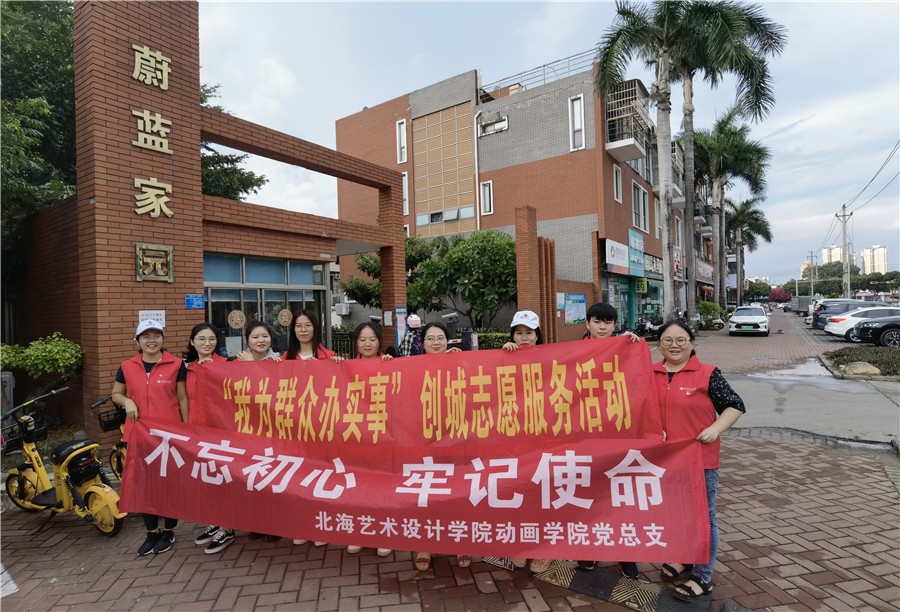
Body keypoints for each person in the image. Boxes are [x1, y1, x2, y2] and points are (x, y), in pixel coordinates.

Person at [653, 321, 745, 602]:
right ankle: (684, 559)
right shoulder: (649, 373)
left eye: (681, 340)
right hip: (663, 461)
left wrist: (715, 429)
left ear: (691, 342)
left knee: (704, 517)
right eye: (667, 340)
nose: (674, 346)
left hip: (699, 460)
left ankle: (703, 576)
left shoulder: (707, 374)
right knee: (676, 514)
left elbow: (734, 406)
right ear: (659, 344)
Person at [111, 320, 189, 556]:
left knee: (169, 484)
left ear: (163, 339)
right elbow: (116, 394)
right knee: (144, 485)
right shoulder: (127, 366)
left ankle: (169, 530)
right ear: (137, 341)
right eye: (145, 336)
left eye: (156, 335)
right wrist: (127, 401)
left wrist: (186, 431)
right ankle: (152, 532)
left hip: (169, 435)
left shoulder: (176, 364)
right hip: (139, 434)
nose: (151, 340)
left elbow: (182, 398)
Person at [578, 302, 642, 578]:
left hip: (619, 435)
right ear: (587, 324)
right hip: (586, 436)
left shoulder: (627, 348)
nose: (602, 327)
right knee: (589, 496)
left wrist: (632, 345)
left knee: (621, 496)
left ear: (615, 325)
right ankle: (590, 550)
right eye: (597, 321)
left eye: (608, 322)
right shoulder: (572, 352)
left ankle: (626, 554)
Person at [412, 322, 469, 572]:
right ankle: (425, 545)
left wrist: (461, 363)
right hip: (424, 440)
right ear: (422, 343)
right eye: (430, 339)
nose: (436, 343)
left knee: (457, 491)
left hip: (455, 439)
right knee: (427, 492)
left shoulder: (459, 363)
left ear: (448, 341)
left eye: (440, 338)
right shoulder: (411, 367)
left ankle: (460, 542)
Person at [283, 309, 342, 548]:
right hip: (294, 429)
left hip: (321, 428)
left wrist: (333, 367)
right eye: (298, 326)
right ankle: (302, 525)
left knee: (321, 477)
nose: (303, 330)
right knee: (298, 477)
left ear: (315, 328)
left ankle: (322, 526)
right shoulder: (284, 359)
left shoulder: (330, 357)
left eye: (308, 325)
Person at [501, 310, 551, 573]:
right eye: (518, 333)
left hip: (543, 436)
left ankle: (545, 548)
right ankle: (521, 543)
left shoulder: (552, 358)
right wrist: (503, 355)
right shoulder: (504, 357)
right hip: (514, 437)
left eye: (529, 332)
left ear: (537, 335)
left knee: (542, 491)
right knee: (518, 490)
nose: (523, 338)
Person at [185, 324, 239, 555]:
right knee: (206, 480)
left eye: (212, 339)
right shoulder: (187, 369)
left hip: (221, 434)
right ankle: (215, 521)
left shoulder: (227, 365)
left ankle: (227, 527)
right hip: (196, 433)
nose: (207, 343)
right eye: (201, 339)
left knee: (222, 480)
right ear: (192, 342)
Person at [346, 321, 393, 557]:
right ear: (356, 343)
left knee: (382, 486)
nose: (367, 344)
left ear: (379, 342)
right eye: (362, 340)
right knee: (358, 486)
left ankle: (383, 532)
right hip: (356, 435)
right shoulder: (346, 368)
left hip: (383, 436)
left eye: (372, 339)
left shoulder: (391, 365)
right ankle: (360, 532)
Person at [236, 321, 283, 542]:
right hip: (247, 428)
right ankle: (256, 522)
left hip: (273, 429)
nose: (261, 340)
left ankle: (274, 524)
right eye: (255, 337)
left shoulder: (278, 362)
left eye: (265, 336)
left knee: (271, 476)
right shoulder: (236, 363)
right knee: (251, 476)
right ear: (247, 341)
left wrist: (252, 366)